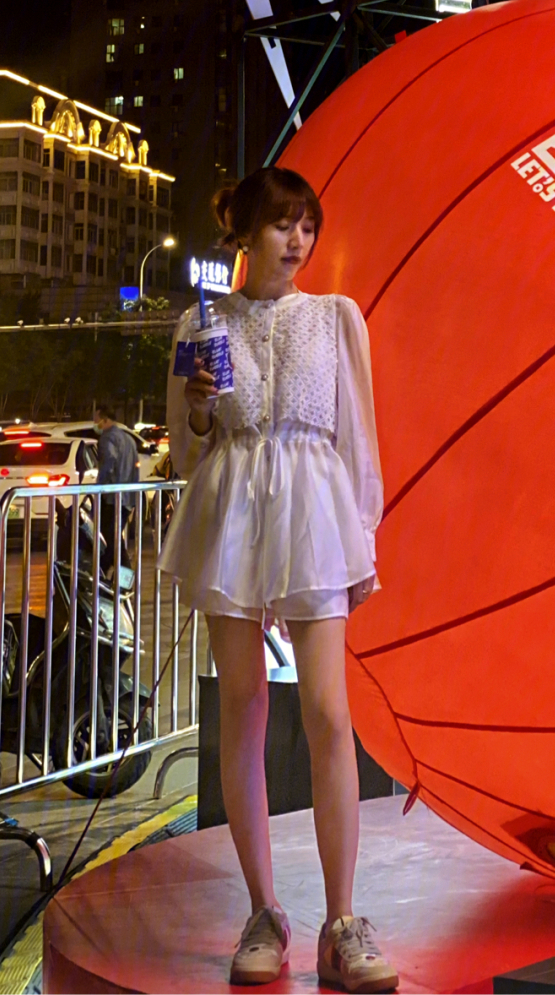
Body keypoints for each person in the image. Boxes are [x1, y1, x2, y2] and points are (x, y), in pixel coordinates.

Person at [159, 168, 397, 993]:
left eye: (307, 226)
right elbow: (187, 454)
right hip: (230, 517)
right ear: (245, 235)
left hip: (312, 516)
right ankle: (263, 911)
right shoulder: (202, 321)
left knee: (329, 711)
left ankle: (342, 920)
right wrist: (195, 408)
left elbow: (354, 436)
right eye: (281, 225)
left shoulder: (335, 319)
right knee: (244, 706)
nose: (297, 241)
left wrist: (359, 533)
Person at [93, 401, 138, 577]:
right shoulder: (128, 439)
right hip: (127, 498)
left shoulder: (107, 438)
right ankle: (108, 574)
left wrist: (99, 487)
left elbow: (109, 462)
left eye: (96, 419)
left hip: (112, 497)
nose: (94, 423)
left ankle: (121, 576)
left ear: (104, 420)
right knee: (113, 537)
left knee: (110, 538)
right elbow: (135, 468)